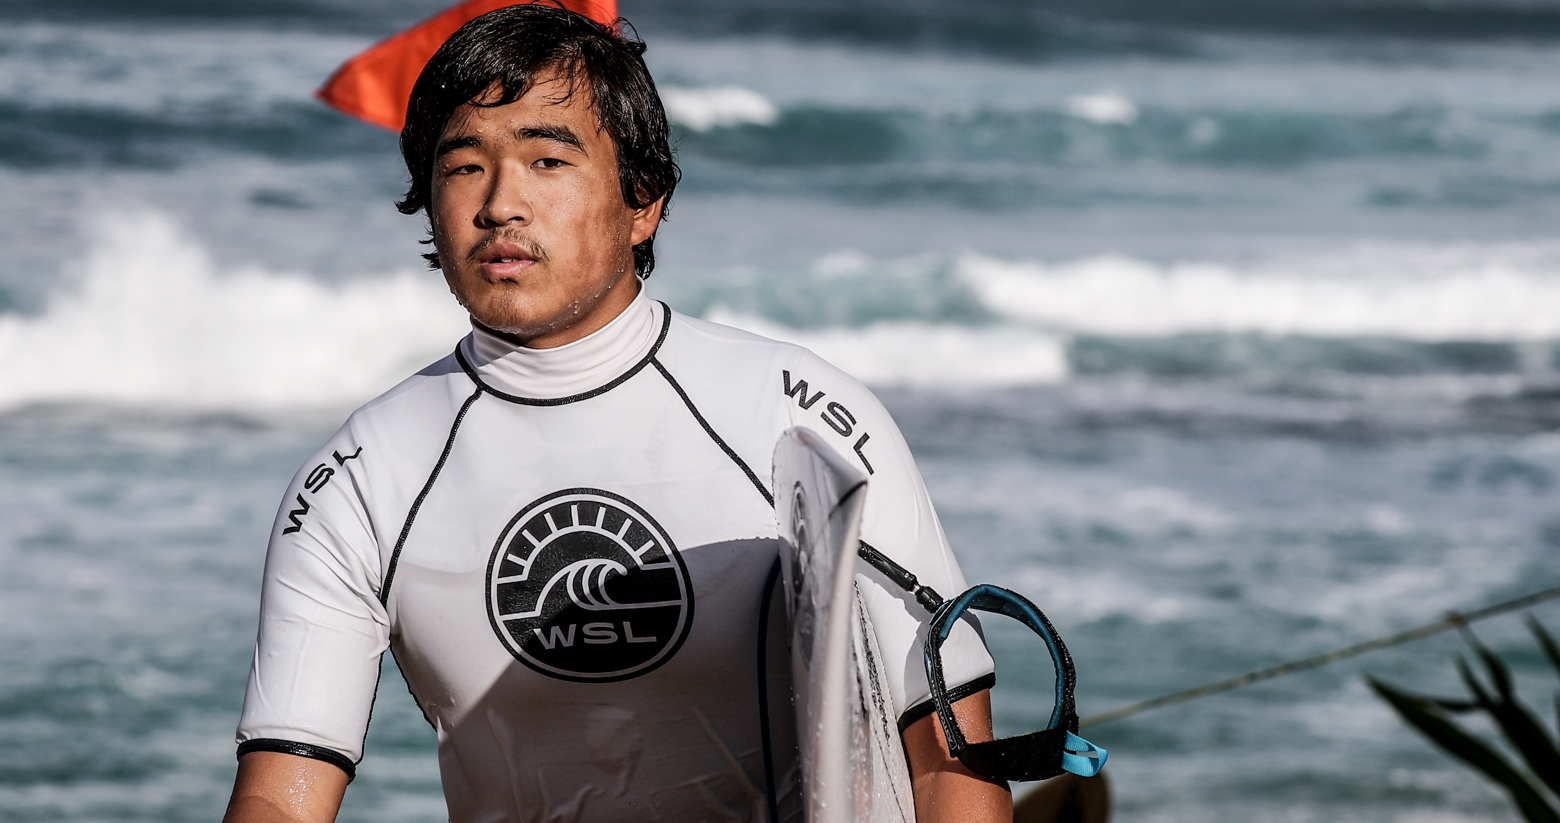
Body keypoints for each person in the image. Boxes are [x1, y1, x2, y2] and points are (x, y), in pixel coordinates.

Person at [223, 5, 1007, 822]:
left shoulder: (798, 413)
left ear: (642, 201)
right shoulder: (364, 475)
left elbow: (949, 757)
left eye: (547, 160)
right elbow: (280, 793)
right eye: (463, 166)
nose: (500, 204)